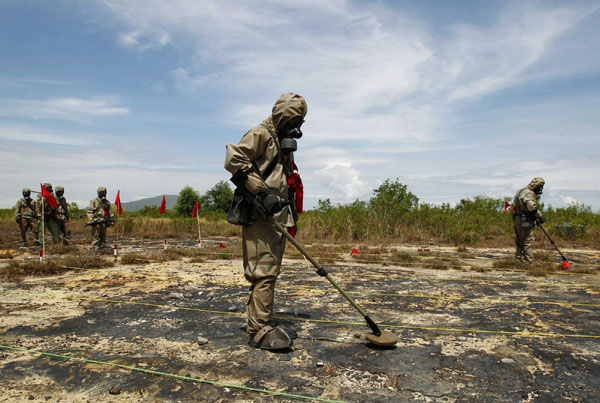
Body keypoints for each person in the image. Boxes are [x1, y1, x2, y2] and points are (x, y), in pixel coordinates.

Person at [224, 93, 307, 350]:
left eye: (301, 122)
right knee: (264, 272)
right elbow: (233, 160)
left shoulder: (280, 139)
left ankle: (264, 319)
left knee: (271, 272)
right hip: (261, 215)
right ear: (283, 115)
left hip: (277, 216)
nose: (298, 128)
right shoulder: (260, 134)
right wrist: (261, 192)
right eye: (294, 121)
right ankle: (258, 330)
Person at [512, 177, 546, 263]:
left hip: (518, 219)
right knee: (527, 241)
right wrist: (540, 216)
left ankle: (518, 259)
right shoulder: (528, 193)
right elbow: (531, 207)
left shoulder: (520, 191)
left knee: (520, 241)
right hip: (525, 220)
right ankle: (529, 261)